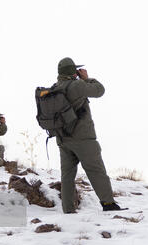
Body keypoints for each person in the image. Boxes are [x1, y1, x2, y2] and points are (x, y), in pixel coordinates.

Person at [54, 57, 126, 213]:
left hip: (63, 139)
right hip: (83, 138)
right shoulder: (77, 85)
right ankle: (108, 204)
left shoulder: (55, 88)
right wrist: (87, 78)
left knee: (67, 175)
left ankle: (68, 209)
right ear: (73, 72)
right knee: (96, 171)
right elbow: (99, 90)